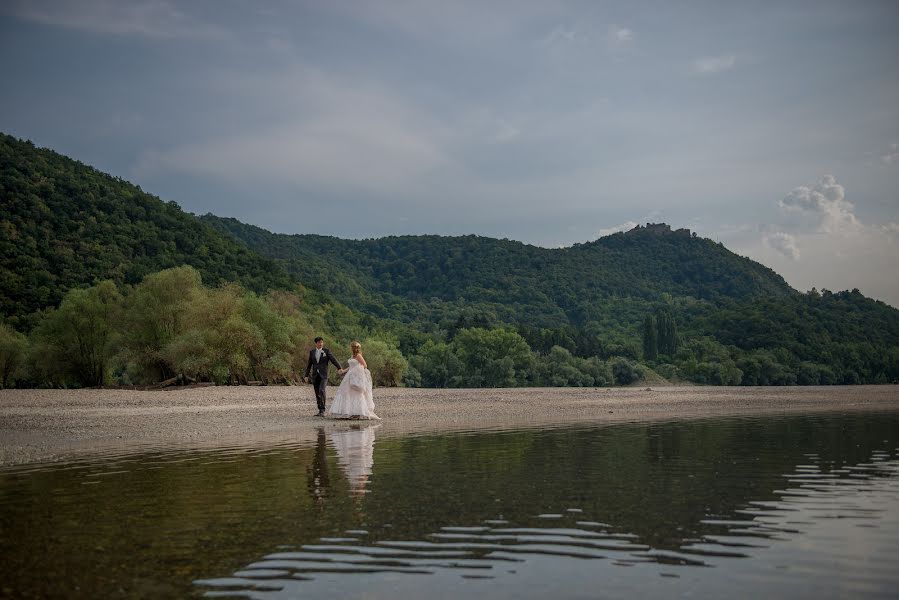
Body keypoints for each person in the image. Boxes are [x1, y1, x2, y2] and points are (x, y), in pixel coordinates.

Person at [327, 341, 380, 420]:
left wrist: (355, 371)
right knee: (346, 392)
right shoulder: (352, 356)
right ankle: (349, 411)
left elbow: (365, 365)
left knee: (356, 393)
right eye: (352, 347)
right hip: (349, 376)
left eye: (353, 347)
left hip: (355, 376)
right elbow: (350, 366)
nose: (352, 348)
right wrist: (343, 371)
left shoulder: (358, 356)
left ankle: (357, 413)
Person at [304, 337, 343, 417]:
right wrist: (306, 375)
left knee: (322, 390)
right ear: (316, 343)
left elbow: (333, 359)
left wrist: (339, 367)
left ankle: (322, 410)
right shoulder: (312, 352)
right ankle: (320, 409)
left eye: (322, 342)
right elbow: (309, 364)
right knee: (317, 392)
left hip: (324, 375)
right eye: (319, 342)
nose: (321, 343)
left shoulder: (326, 351)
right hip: (315, 375)